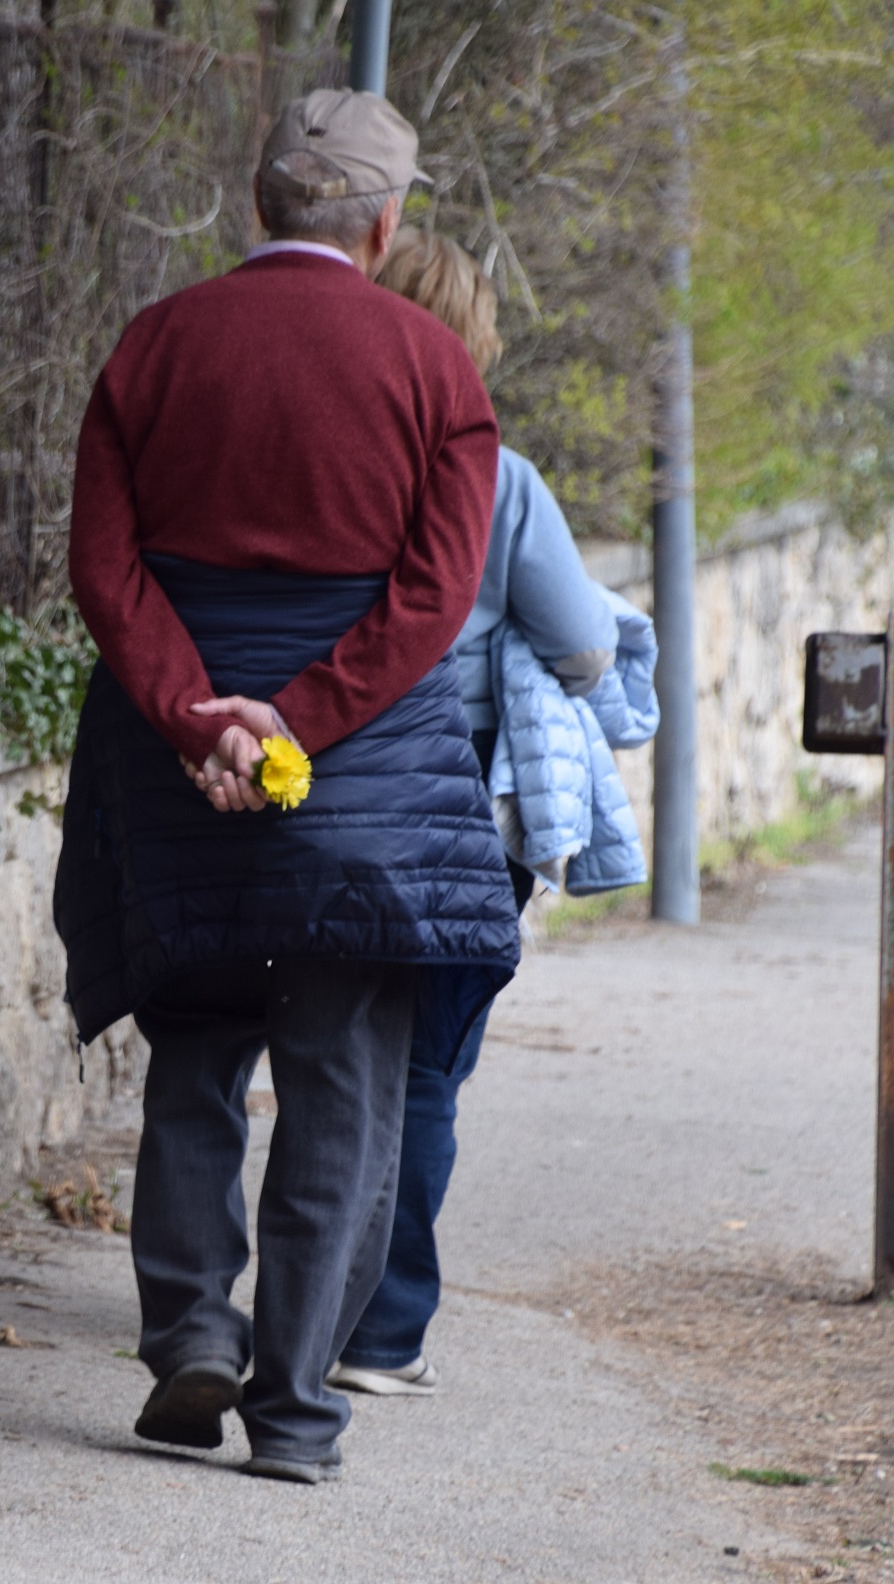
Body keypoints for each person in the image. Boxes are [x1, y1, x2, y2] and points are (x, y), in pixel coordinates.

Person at [54, 95, 520, 1484]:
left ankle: (191, 1331)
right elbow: (436, 596)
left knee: (194, 1057)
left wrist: (199, 715)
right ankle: (298, 1412)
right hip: (361, 782)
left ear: (254, 206)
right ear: (382, 226)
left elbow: (102, 566)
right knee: (343, 1087)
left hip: (172, 765)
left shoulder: (156, 343)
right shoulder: (434, 367)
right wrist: (294, 725)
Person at [331, 227, 657, 1397]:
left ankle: (295, 1306)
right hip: (458, 789)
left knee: (330, 1051)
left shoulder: (328, 461)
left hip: (323, 770)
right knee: (426, 1067)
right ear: (474, 346)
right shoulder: (498, 480)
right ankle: (379, 1331)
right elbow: (580, 646)